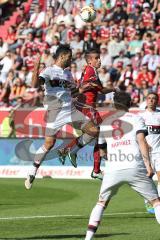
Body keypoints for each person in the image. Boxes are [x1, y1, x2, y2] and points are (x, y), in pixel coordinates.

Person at [85, 91, 160, 240]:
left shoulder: (105, 123)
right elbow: (141, 142)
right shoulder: (136, 118)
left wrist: (111, 158)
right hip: (135, 166)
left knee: (101, 203)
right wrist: (148, 166)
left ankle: (88, 238)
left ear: (113, 105)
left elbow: (101, 151)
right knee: (156, 202)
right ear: (130, 104)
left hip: (113, 169)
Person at [24, 44, 99, 190]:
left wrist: (83, 88)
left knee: (94, 131)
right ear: (62, 56)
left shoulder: (68, 74)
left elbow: (74, 92)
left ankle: (72, 151)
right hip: (54, 112)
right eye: (69, 57)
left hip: (70, 110)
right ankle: (32, 171)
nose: (71, 60)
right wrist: (36, 66)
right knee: (49, 144)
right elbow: (34, 84)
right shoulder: (49, 71)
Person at [59, 49, 116, 180]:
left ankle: (68, 151)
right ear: (90, 60)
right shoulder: (90, 70)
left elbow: (99, 89)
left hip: (85, 106)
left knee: (96, 135)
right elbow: (86, 85)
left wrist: (111, 89)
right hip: (86, 107)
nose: (99, 60)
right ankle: (74, 153)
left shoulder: (91, 71)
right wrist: (112, 89)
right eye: (96, 58)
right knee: (98, 133)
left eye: (99, 57)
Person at [140, 92, 160, 214]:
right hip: (146, 153)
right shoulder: (141, 116)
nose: (151, 100)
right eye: (149, 98)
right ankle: (148, 201)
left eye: (154, 99)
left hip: (159, 151)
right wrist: (145, 144)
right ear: (146, 101)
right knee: (148, 177)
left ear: (157, 101)